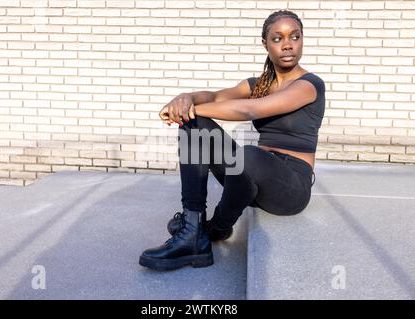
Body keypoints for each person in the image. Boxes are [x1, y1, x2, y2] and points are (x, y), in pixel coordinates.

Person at [139, 9, 325, 271]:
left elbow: (251, 110)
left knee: (247, 154)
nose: (287, 44)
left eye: (294, 37)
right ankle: (193, 228)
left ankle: (216, 227)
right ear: (265, 44)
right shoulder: (259, 84)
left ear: (302, 40)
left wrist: (189, 108)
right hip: (250, 179)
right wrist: (187, 99)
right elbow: (215, 97)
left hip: (289, 189)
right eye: (277, 38)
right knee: (194, 124)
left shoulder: (309, 85)